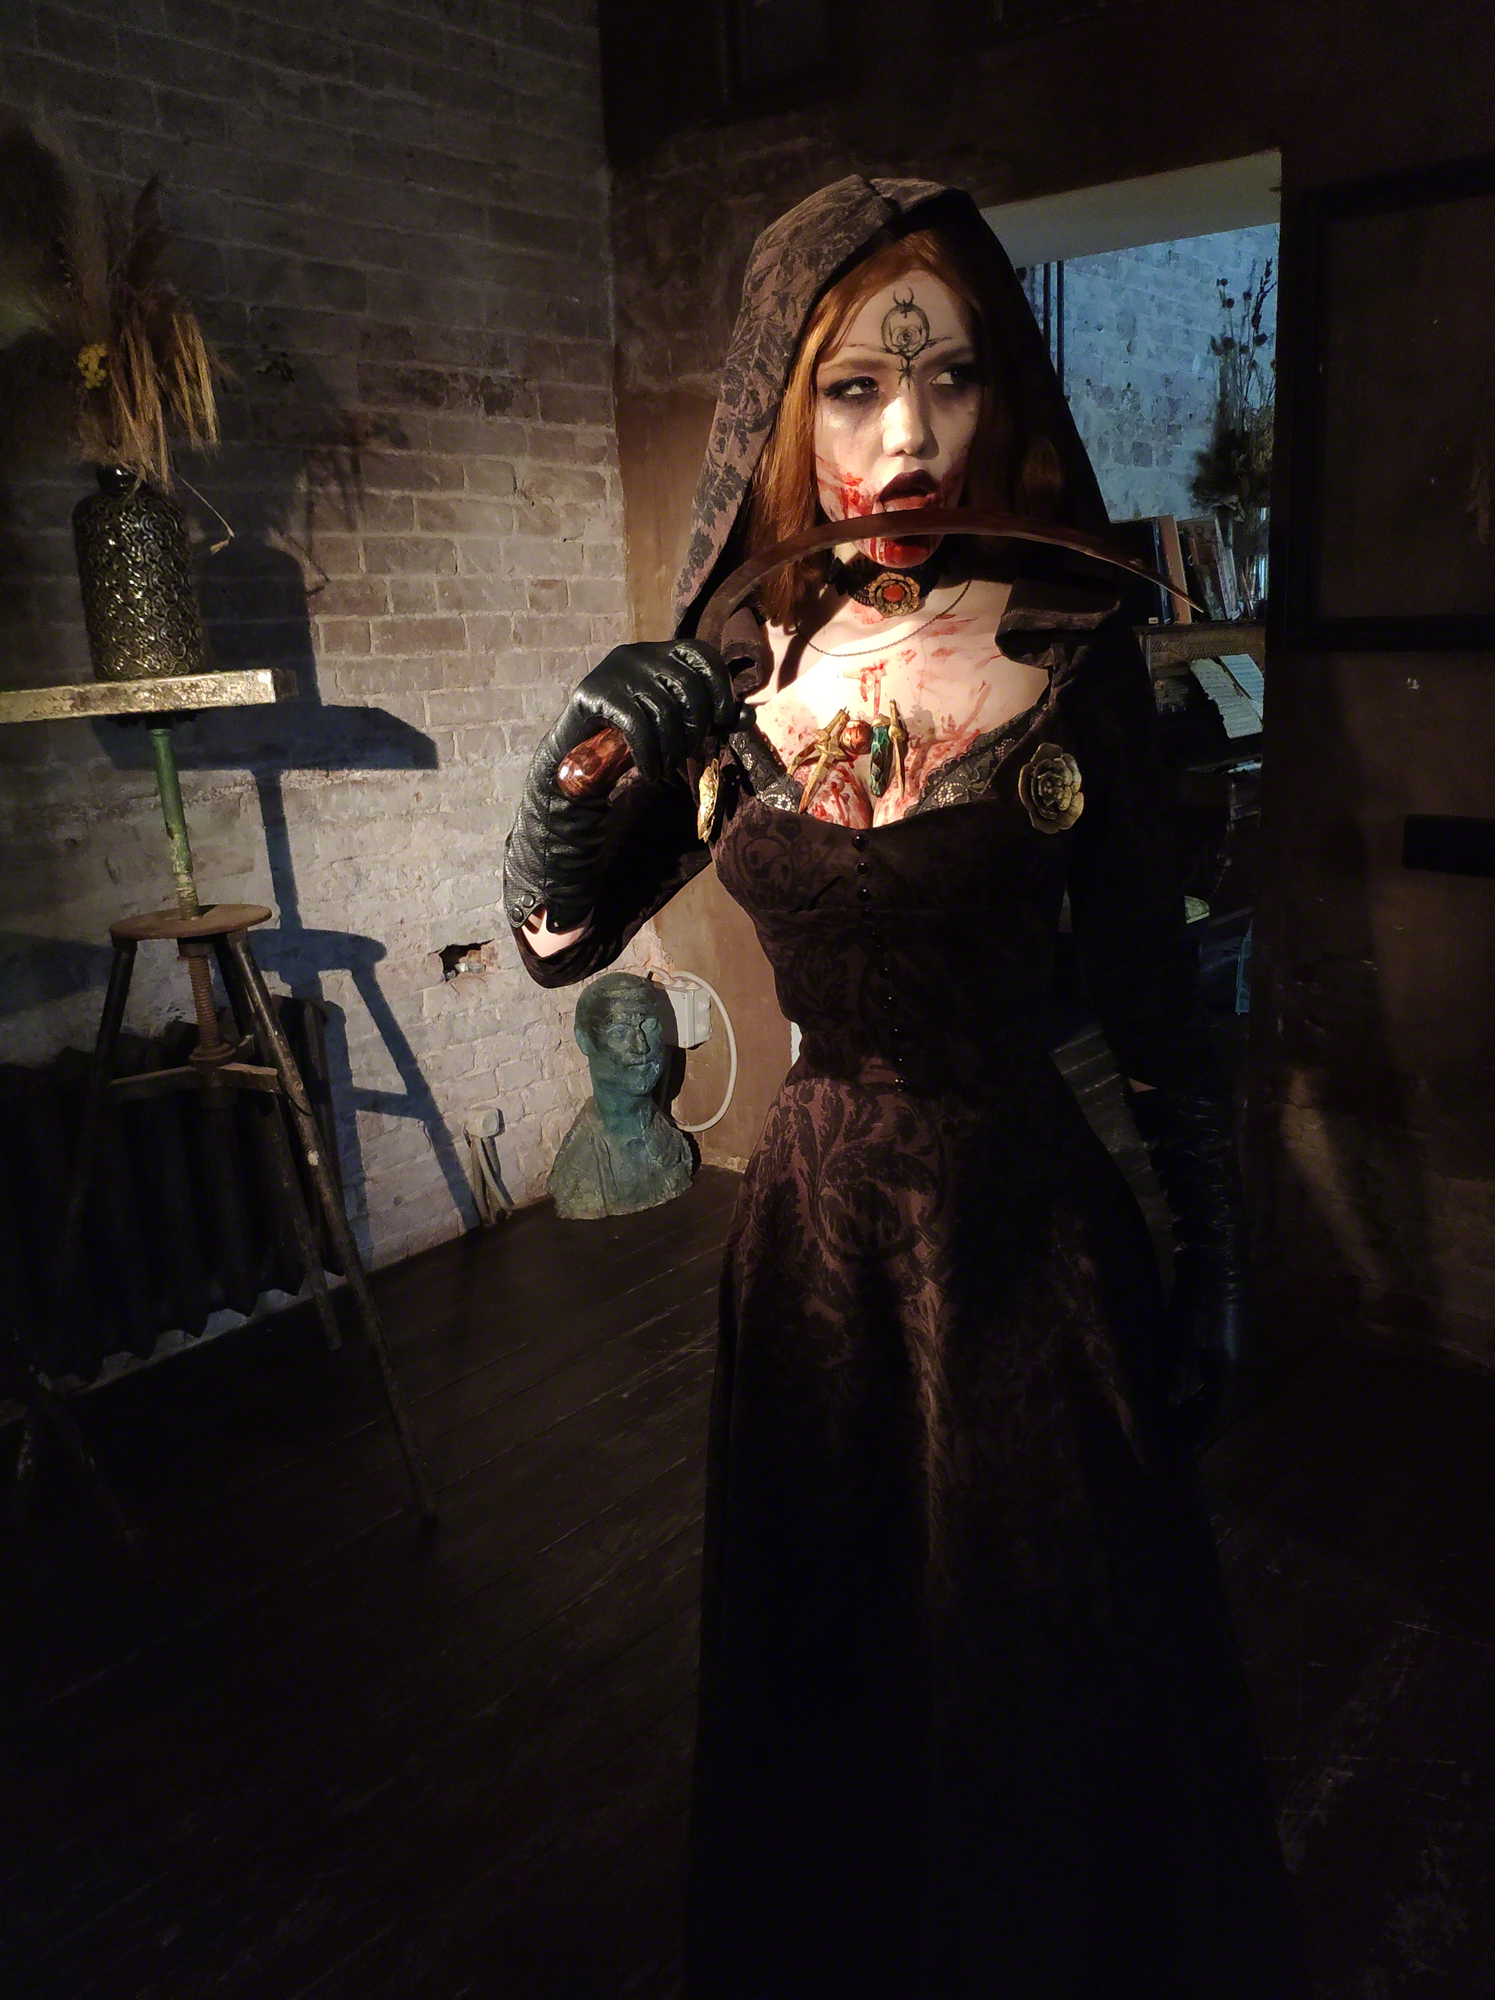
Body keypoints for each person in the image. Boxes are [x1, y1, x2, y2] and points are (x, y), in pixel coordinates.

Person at [505, 177, 1301, 1998]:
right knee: (837, 1666)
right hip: (812, 1243)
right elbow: (560, 943)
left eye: (946, 379)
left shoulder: (1072, 642)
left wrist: (1214, 1247)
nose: (908, 435)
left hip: (1020, 1232)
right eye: (857, 388)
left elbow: (1148, 976)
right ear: (786, 409)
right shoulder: (740, 665)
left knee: (1044, 1664)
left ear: (1001, 387)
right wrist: (567, 778)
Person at [548, 970, 692, 1219]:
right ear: (584, 1040)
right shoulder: (579, 1170)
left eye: (649, 1026)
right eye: (619, 1032)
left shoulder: (674, 1144)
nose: (641, 1046)